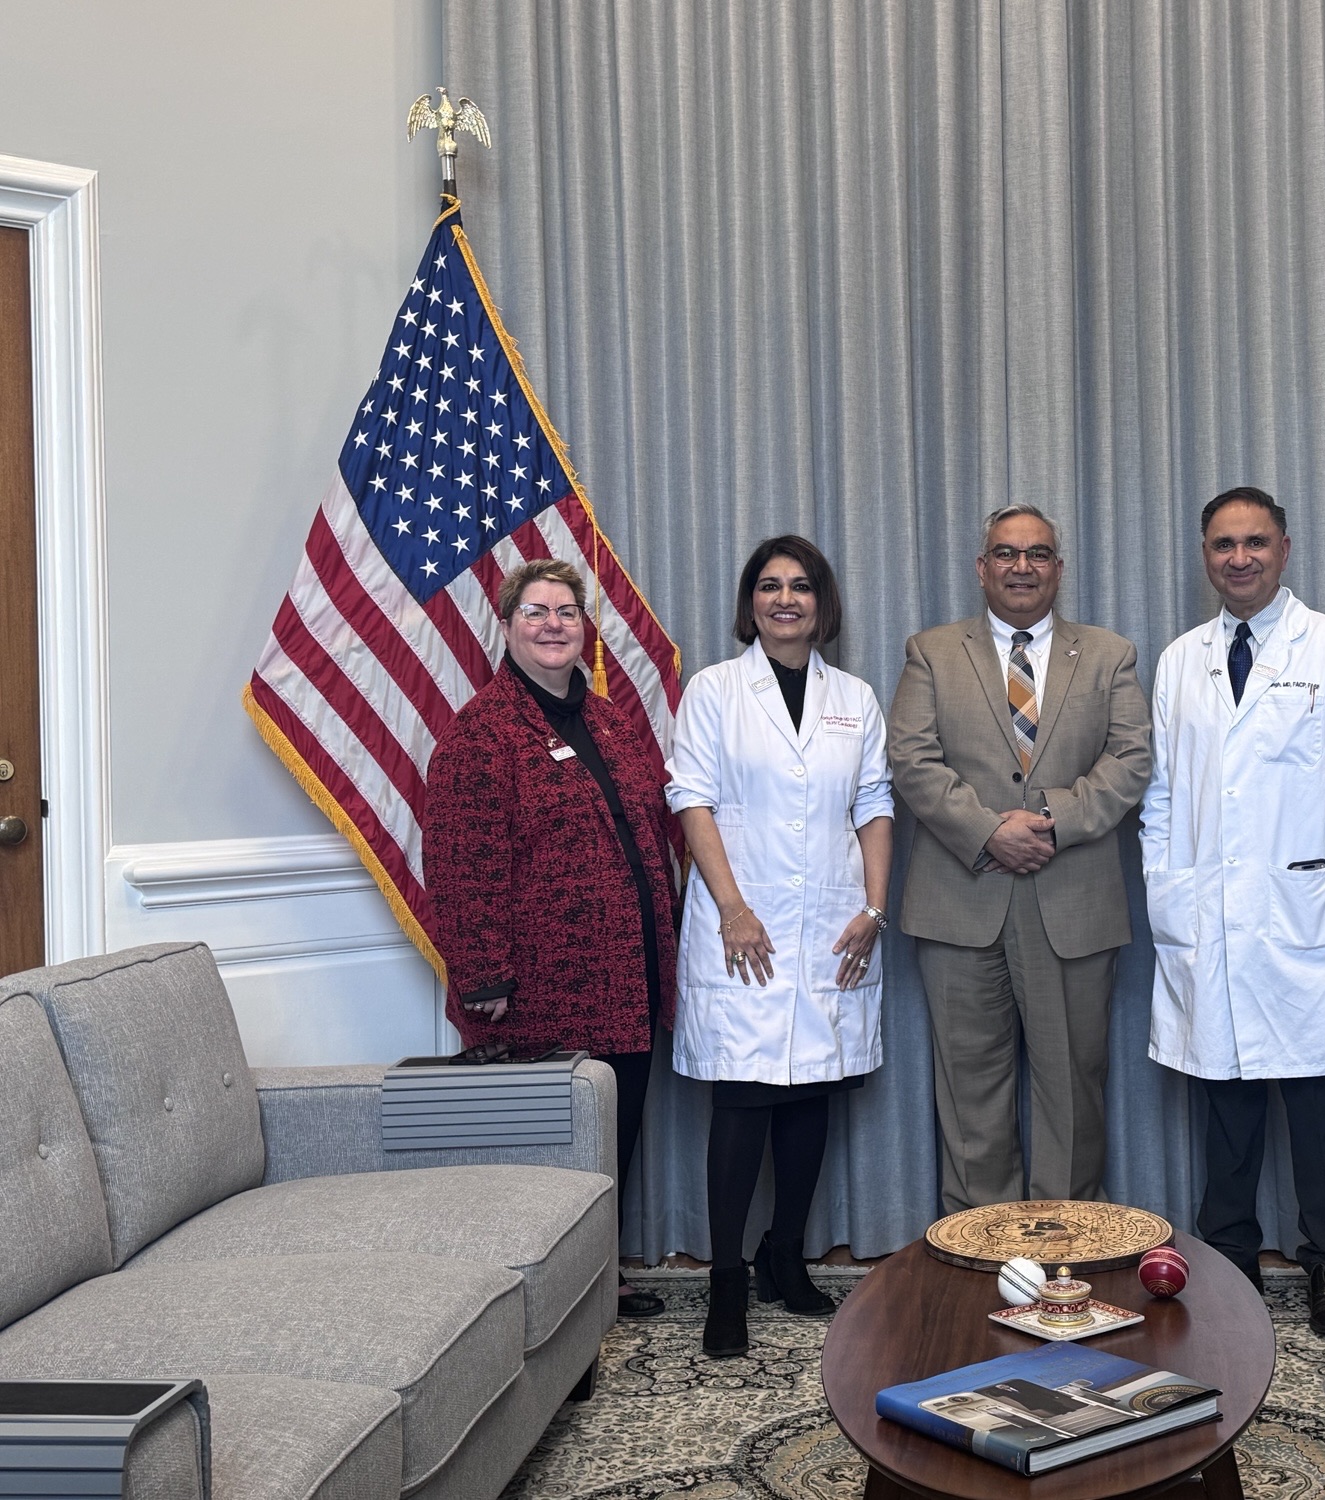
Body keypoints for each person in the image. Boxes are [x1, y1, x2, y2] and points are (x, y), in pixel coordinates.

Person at [1140, 485, 1325, 1339]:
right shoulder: (1183, 658)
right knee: (1226, 1102)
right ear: (1205, 555)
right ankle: (1229, 1267)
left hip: (1304, 915)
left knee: (1317, 1104)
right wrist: (1166, 883)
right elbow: (1162, 791)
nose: (1240, 558)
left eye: (1255, 542)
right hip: (1210, 914)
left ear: (1285, 550)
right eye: (1223, 544)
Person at [425, 557, 680, 1321]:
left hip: (628, 977)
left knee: (618, 1130)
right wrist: (482, 976)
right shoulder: (482, 733)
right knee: (553, 1148)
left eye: (566, 611)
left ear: (583, 628)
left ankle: (603, 1274)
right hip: (538, 989)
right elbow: (460, 862)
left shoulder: (608, 720)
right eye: (535, 612)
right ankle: (543, 1294)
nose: (552, 625)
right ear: (506, 627)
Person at [888, 504, 1151, 1212]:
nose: (1022, 567)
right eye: (1006, 554)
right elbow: (911, 760)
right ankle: (982, 1258)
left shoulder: (1108, 654)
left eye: (1038, 554)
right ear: (982, 568)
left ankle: (1068, 1262)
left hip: (1072, 900)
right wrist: (985, 831)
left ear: (1059, 568)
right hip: (960, 897)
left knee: (1072, 1089)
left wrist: (1044, 822)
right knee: (970, 1090)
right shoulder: (931, 651)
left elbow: (1130, 762)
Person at [668, 536, 893, 1358]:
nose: (785, 600)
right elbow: (692, 801)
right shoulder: (715, 691)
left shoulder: (854, 697)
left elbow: (873, 803)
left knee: (811, 1094)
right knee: (744, 1099)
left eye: (801, 587)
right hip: (744, 923)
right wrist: (731, 909)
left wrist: (874, 908)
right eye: (770, 586)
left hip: (835, 924)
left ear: (822, 603)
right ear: (750, 601)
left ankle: (784, 1258)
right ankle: (727, 1279)